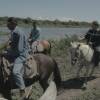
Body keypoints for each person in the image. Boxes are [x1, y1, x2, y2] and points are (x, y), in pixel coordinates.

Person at [6, 17, 29, 97]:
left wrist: (7, 51)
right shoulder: (15, 30)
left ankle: (22, 89)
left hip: (20, 55)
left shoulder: (16, 33)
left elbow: (17, 49)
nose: (6, 25)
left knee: (15, 72)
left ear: (13, 24)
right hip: (18, 51)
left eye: (8, 24)